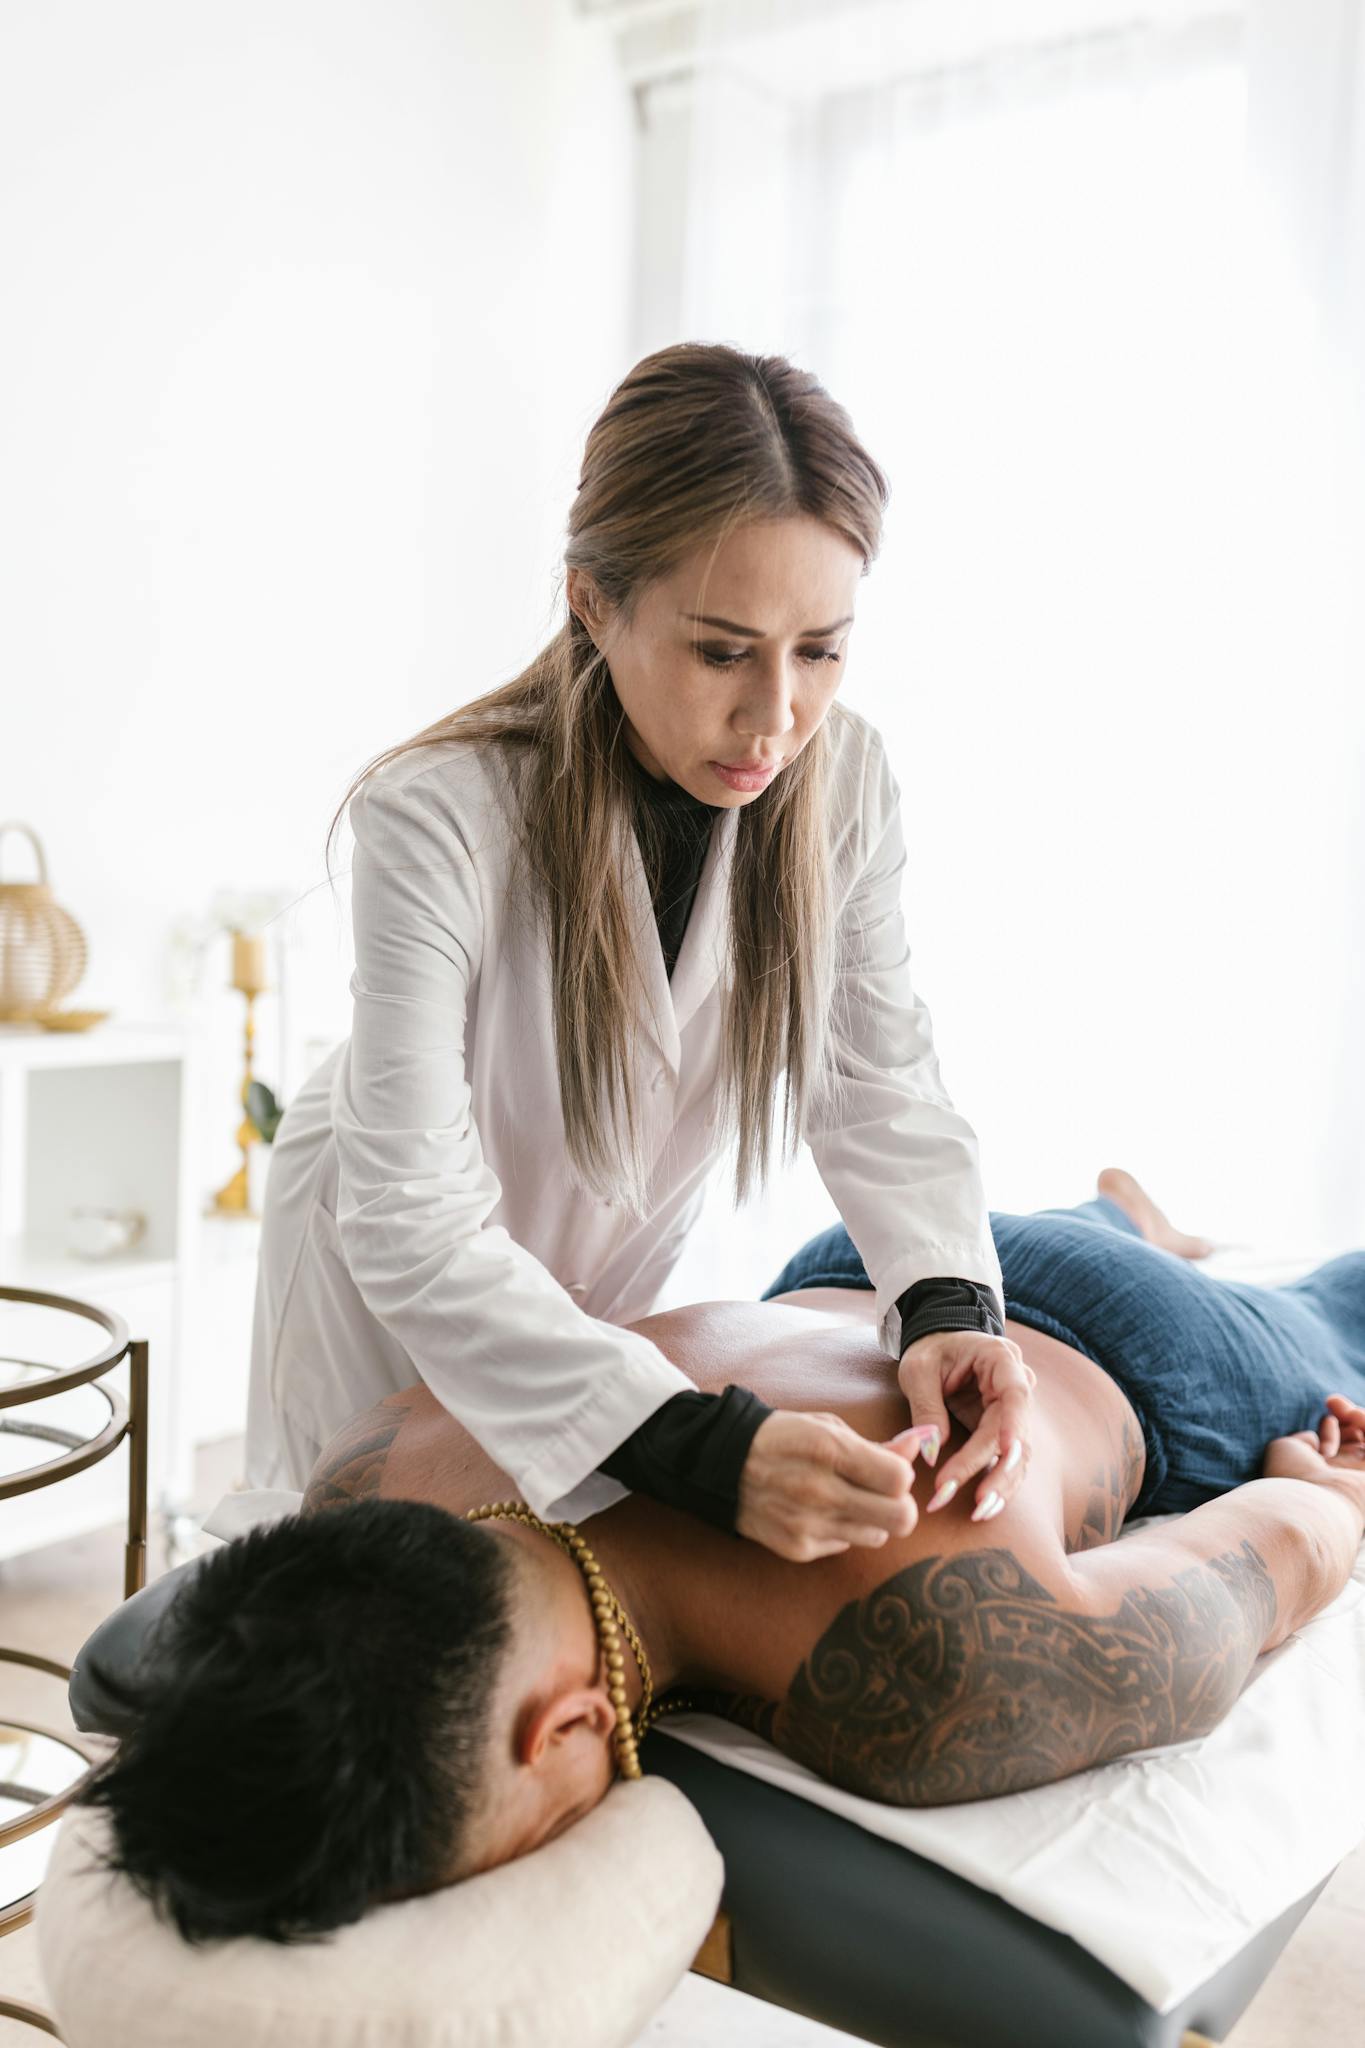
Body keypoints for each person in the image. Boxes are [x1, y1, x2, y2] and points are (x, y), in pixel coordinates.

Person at [83, 1170, 1365, 1943]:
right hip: (853, 1263)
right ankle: (1123, 1210)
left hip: (1132, 1349)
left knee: (1326, 1309)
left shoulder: (934, 1663)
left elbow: (1287, 1548)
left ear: (566, 1725)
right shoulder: (371, 1462)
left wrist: (1317, 1482)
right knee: (1084, 1233)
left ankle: (1150, 1239)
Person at [243, 340, 1035, 1565]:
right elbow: (412, 1219)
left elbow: (878, 1079)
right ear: (592, 600)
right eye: (724, 649)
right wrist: (697, 1449)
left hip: (600, 1306)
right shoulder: (439, 816)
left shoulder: (846, 786)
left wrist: (947, 1307)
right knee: (347, 1603)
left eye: (820, 649)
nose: (776, 715)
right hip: (381, 1281)